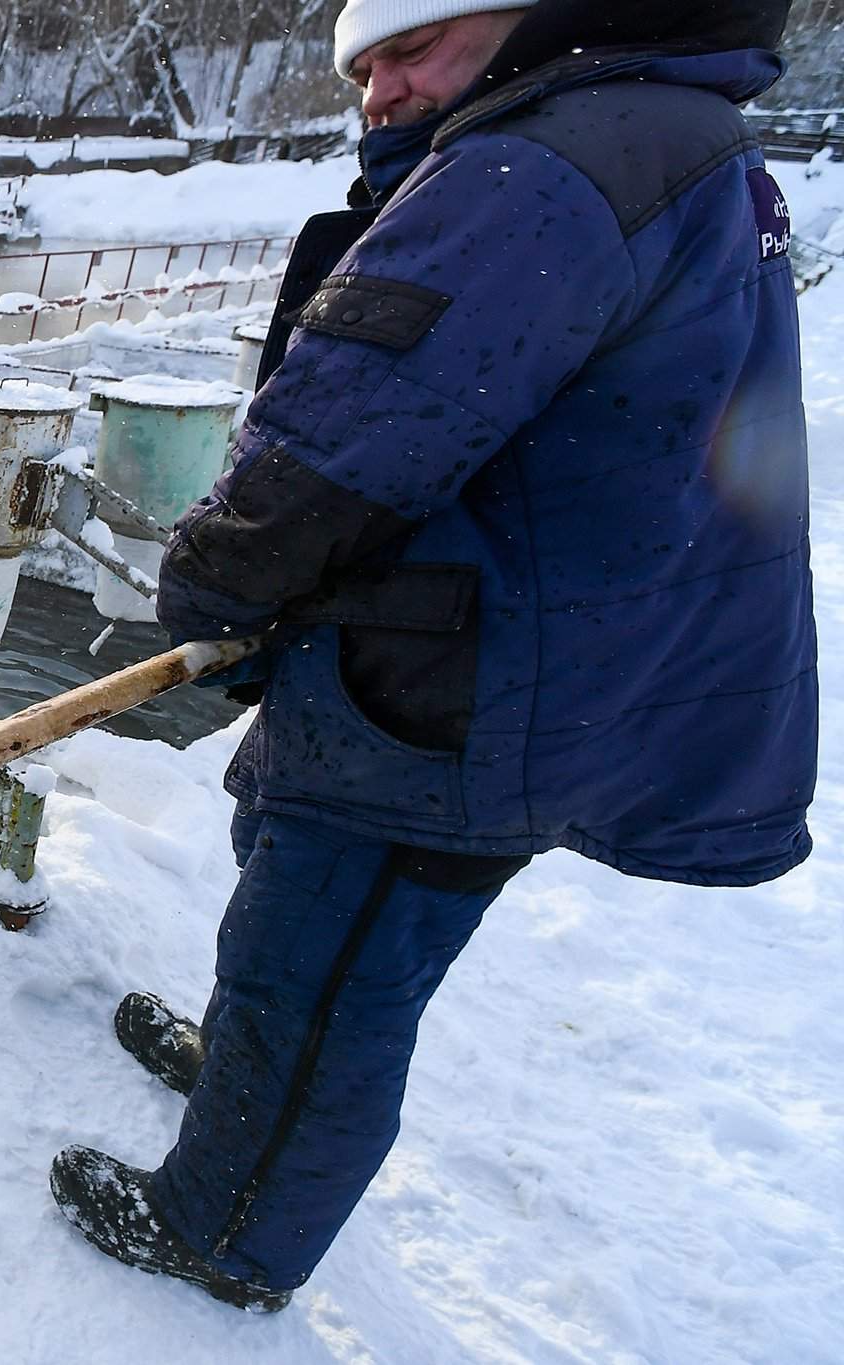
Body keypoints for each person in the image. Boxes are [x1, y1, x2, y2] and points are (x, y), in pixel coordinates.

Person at [50, 0, 813, 1314]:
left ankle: (224, 1232)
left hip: (448, 691)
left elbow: (350, 430)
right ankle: (241, 1075)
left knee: (323, 974)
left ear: (527, 19)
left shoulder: (537, 168)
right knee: (291, 902)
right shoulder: (661, 133)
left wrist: (212, 585)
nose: (380, 92)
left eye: (411, 49)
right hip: (500, 650)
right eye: (364, 67)